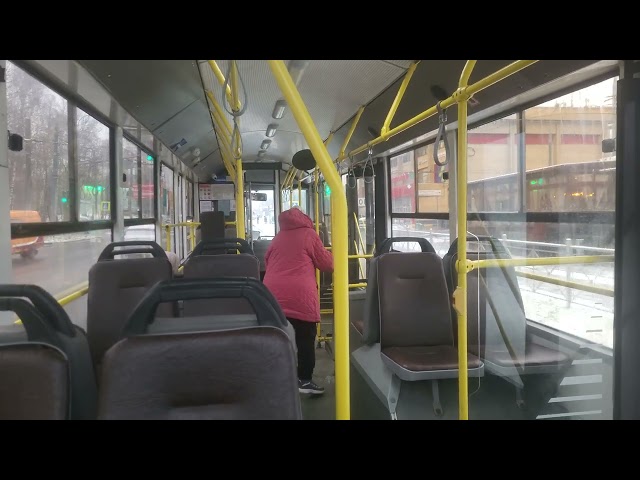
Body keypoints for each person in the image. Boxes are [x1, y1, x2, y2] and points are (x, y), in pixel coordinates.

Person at [263, 207, 333, 395]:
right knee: (305, 338)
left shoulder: (279, 236)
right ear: (305, 220)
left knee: (278, 337)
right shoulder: (309, 234)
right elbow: (327, 264)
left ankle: (277, 379)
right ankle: (304, 380)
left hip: (272, 294)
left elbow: (267, 260)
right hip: (300, 295)